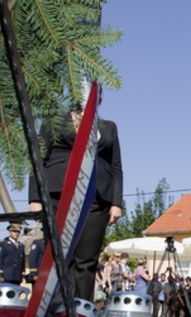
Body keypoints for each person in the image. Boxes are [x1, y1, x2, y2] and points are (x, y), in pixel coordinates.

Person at [28, 88, 124, 301]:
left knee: (86, 260)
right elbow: (38, 158)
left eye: (95, 95)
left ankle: (81, 315)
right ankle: (55, 315)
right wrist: (35, 197)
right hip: (59, 194)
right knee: (59, 255)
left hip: (96, 199)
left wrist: (116, 203)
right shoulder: (54, 121)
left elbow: (116, 166)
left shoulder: (108, 127)